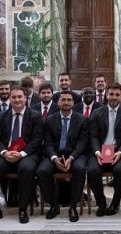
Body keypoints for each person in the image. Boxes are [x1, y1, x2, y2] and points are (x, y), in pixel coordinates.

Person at [0, 87, 43, 223]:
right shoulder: (1, 116)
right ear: (10, 99)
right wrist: (4, 152)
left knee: (27, 169)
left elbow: (37, 139)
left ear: (25, 98)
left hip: (27, 154)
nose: (17, 100)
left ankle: (22, 209)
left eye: (20, 97)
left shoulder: (35, 116)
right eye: (14, 97)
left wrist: (21, 154)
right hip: (5, 154)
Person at [37, 90, 88, 221]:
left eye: (69, 100)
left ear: (73, 102)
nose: (66, 102)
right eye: (63, 100)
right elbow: (47, 143)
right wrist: (54, 158)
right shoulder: (50, 119)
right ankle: (53, 205)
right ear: (58, 102)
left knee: (80, 169)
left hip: (75, 155)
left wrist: (72, 157)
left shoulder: (82, 120)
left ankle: (73, 206)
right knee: (42, 171)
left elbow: (82, 143)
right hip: (55, 155)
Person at [88, 84, 121, 216]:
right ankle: (101, 203)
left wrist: (120, 152)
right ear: (106, 95)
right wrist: (97, 151)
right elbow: (93, 135)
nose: (114, 97)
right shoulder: (97, 113)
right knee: (92, 170)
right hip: (100, 150)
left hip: (119, 151)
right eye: (111, 94)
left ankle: (115, 203)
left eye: (117, 95)